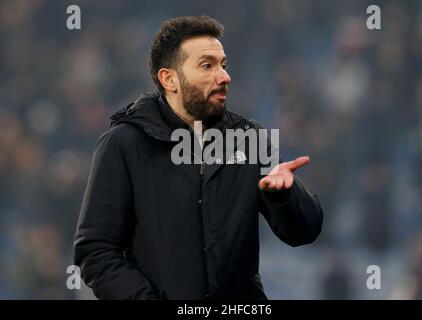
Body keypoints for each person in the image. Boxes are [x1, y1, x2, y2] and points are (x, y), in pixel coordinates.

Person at [73, 15, 323, 300]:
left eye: (224, 65)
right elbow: (95, 250)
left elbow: (305, 232)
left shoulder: (249, 138)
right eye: (207, 65)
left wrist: (286, 197)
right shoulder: (124, 144)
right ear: (169, 79)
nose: (224, 76)